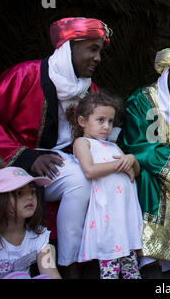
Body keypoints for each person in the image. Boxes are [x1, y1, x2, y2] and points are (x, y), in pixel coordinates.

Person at [0, 17, 112, 278]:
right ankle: (69, 265)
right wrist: (24, 156)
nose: (98, 58)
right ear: (69, 48)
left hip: (68, 159)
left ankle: (96, 258)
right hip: (22, 157)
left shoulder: (89, 89)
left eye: (100, 51)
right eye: (92, 49)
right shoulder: (25, 75)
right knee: (79, 181)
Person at [116, 46, 170, 277]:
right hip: (148, 172)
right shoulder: (142, 100)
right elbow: (138, 145)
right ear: (166, 72)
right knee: (146, 177)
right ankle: (151, 260)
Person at [66, 92, 143, 279]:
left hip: (123, 214)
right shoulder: (83, 143)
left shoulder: (113, 146)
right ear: (83, 121)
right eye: (100, 120)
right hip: (106, 214)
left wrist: (131, 159)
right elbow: (90, 170)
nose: (107, 127)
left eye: (110, 121)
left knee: (131, 268)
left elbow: (137, 171)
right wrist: (120, 164)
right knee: (110, 267)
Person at [0, 167, 61, 279]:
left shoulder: (39, 236)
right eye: (19, 193)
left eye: (32, 192)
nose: (30, 197)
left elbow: (52, 274)